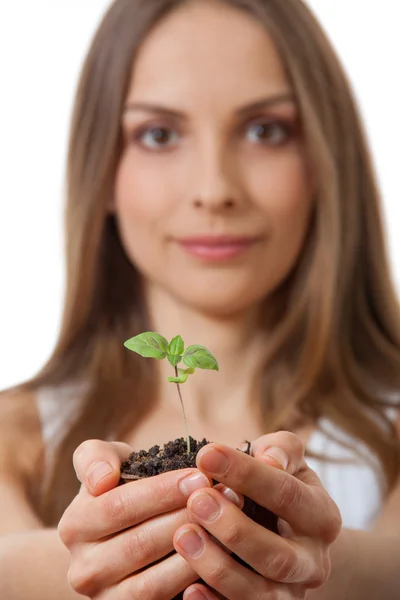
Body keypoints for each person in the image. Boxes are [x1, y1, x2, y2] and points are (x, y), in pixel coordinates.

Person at [1, 0, 399, 598]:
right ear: (102, 170)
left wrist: (315, 555)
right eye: (159, 134)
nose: (214, 189)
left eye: (265, 130)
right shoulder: (17, 439)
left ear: (324, 161)